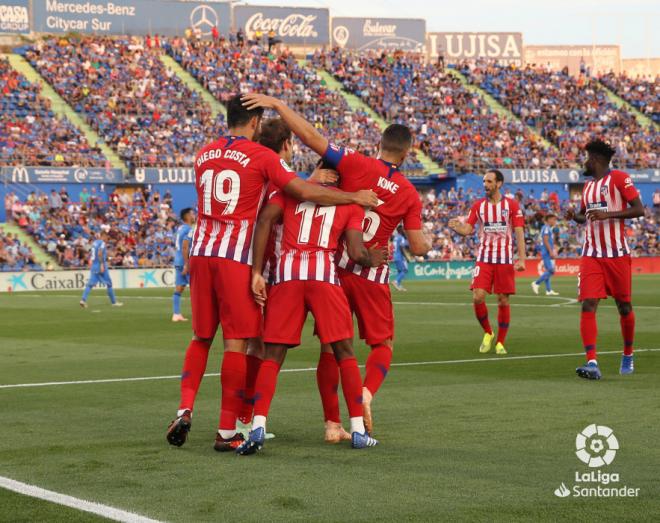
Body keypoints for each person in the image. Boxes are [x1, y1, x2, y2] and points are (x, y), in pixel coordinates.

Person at [165, 94, 378, 451]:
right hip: (238, 256)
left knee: (201, 338)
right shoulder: (262, 156)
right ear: (254, 123)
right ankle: (228, 430)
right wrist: (353, 196)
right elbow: (298, 192)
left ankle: (185, 408)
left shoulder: (203, 154)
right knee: (240, 342)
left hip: (202, 250)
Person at [241, 93, 430, 435]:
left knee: (328, 346)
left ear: (380, 145)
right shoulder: (408, 193)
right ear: (406, 152)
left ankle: (331, 425)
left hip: (336, 268)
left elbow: (313, 140)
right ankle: (365, 395)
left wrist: (282, 105)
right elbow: (417, 246)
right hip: (369, 271)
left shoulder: (355, 165)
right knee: (382, 345)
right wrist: (426, 239)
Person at [237, 172, 386, 454]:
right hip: (324, 277)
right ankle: (356, 430)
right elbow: (356, 253)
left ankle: (257, 424)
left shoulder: (294, 193)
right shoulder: (350, 204)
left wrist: (257, 270)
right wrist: (371, 258)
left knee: (273, 356)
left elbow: (265, 219)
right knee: (345, 352)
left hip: (288, 276)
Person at [565, 139, 644, 379]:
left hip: (617, 255)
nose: (585, 162)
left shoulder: (619, 178)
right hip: (591, 255)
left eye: (587, 157)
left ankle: (628, 354)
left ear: (596, 159)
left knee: (624, 307)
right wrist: (574, 216)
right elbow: (585, 217)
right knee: (588, 303)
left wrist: (607, 213)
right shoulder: (588, 187)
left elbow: (639, 209)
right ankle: (592, 362)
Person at [449, 169, 526, 356]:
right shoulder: (478, 206)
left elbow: (518, 232)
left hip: (505, 259)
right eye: (484, 181)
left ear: (499, 183)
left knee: (503, 300)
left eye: (489, 181)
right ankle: (488, 332)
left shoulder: (512, 205)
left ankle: (500, 341)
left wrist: (522, 258)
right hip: (484, 258)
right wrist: (457, 227)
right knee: (477, 296)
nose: (485, 185)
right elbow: (468, 229)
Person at [79, 232, 123, 308]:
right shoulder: (102, 243)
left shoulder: (94, 243)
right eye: (106, 237)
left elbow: (96, 255)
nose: (107, 239)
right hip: (101, 265)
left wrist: (111, 258)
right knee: (109, 284)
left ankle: (83, 300)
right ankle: (114, 302)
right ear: (103, 236)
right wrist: (102, 264)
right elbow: (99, 253)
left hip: (94, 266)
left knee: (90, 284)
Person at [171, 208, 195, 322]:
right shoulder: (188, 229)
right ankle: (199, 315)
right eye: (192, 213)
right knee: (196, 289)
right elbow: (185, 247)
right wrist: (187, 264)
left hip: (177, 260)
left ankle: (176, 314)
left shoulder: (180, 228)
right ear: (187, 216)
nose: (194, 215)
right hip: (185, 261)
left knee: (179, 287)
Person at [531, 214, 559, 296]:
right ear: (549, 219)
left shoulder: (547, 228)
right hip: (546, 252)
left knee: (548, 270)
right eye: (553, 219)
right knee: (551, 270)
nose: (554, 221)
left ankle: (548, 290)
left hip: (546, 251)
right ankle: (536, 283)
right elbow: (545, 240)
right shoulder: (546, 228)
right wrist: (550, 251)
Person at [392, 225, 410, 291]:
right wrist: (406, 257)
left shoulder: (395, 237)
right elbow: (401, 247)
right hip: (400, 256)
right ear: (401, 230)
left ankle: (398, 285)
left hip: (395, 256)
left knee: (400, 271)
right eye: (403, 230)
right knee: (404, 270)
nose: (404, 231)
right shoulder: (401, 238)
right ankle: (396, 281)